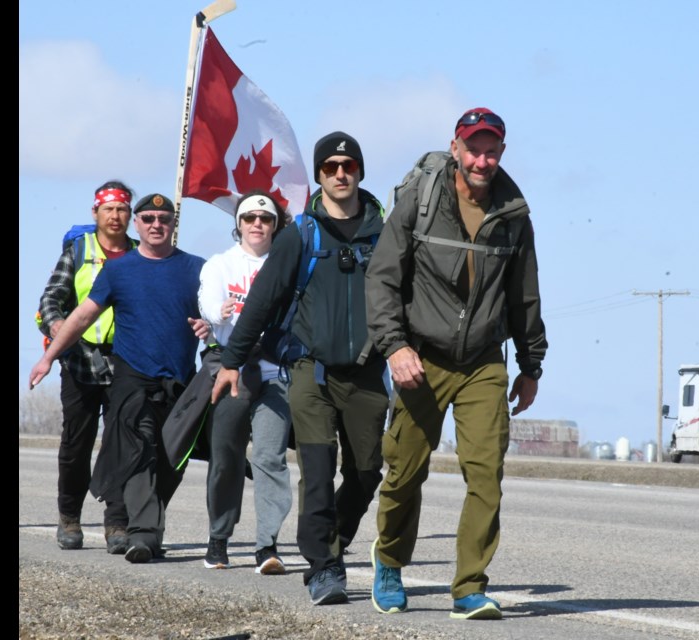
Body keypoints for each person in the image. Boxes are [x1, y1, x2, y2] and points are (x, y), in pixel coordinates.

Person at [365, 108, 549, 620]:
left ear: (502, 153)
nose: (482, 160)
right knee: (404, 471)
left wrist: (531, 364)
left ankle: (469, 586)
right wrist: (394, 346)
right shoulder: (420, 202)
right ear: (456, 148)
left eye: (491, 150)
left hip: (483, 362)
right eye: (474, 149)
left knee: (485, 473)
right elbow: (381, 279)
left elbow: (525, 296)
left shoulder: (514, 217)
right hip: (420, 355)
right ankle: (389, 563)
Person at [210, 132, 388, 605]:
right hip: (311, 370)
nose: (340, 172)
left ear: (360, 171)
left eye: (348, 165)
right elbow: (262, 303)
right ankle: (324, 568)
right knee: (317, 467)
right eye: (330, 166)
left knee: (368, 471)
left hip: (369, 372)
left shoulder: (385, 235)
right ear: (319, 175)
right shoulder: (299, 234)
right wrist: (231, 361)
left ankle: (333, 540)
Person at [30, 193, 209, 564]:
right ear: (137, 223)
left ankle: (143, 525)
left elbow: (223, 315)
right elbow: (81, 316)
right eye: (148, 218)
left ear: (174, 224)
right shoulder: (119, 269)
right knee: (138, 451)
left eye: (164, 218)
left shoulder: (196, 268)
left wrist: (212, 324)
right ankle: (139, 533)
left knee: (171, 460)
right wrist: (48, 356)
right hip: (131, 377)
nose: (156, 224)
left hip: (179, 381)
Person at [36, 180, 138, 554]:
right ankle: (69, 518)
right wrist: (57, 326)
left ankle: (117, 524)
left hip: (127, 363)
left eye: (122, 209)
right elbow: (49, 300)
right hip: (80, 360)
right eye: (108, 209)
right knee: (76, 444)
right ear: (95, 213)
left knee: (123, 445)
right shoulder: (78, 251)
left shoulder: (140, 256)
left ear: (131, 215)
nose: (116, 216)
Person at [196, 189, 293, 573]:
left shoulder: (287, 264)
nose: (258, 224)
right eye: (250, 218)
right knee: (226, 458)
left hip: (273, 374)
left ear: (275, 226)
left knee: (270, 457)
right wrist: (215, 312)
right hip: (231, 371)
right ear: (238, 225)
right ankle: (218, 539)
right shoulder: (221, 264)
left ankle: (266, 546)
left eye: (265, 219)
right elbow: (208, 304)